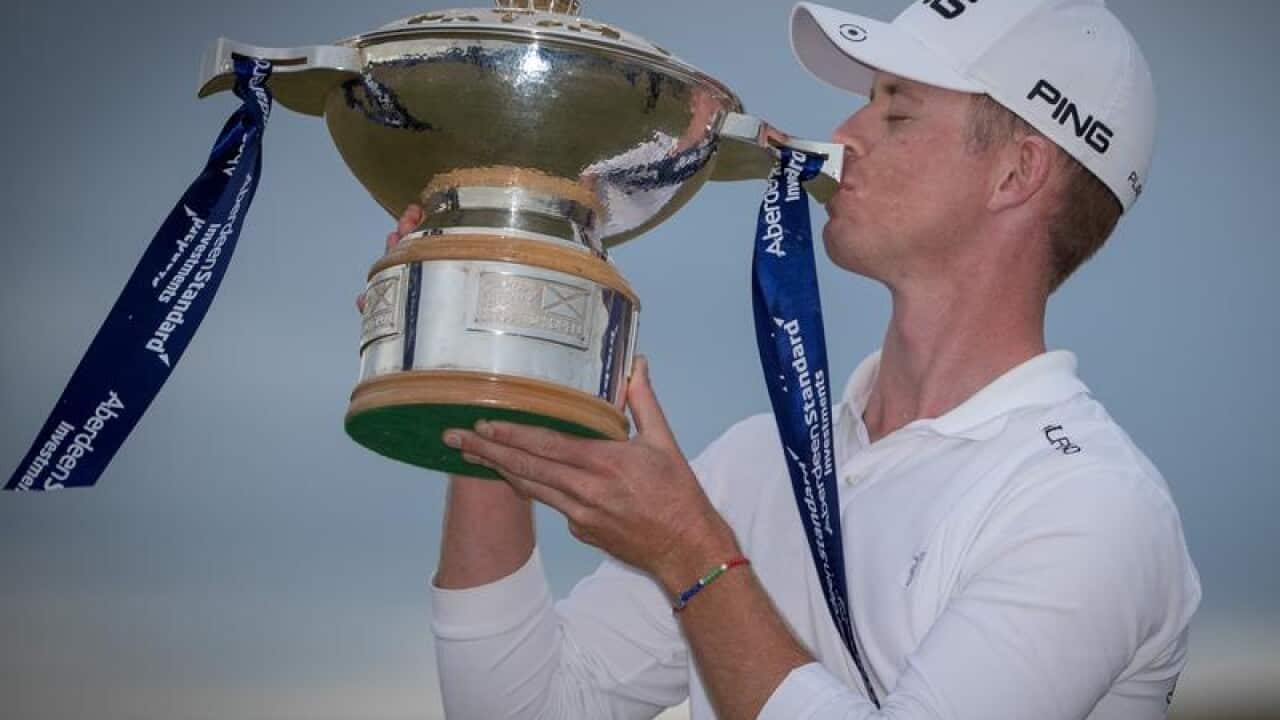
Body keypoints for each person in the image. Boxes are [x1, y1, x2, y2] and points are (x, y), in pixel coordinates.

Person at [384, 1, 1201, 718]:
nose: (844, 135)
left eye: (897, 112)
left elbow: (696, 557)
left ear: (1016, 173)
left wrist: (694, 553)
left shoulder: (1090, 505)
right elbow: (524, 707)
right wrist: (492, 353)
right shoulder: (757, 465)